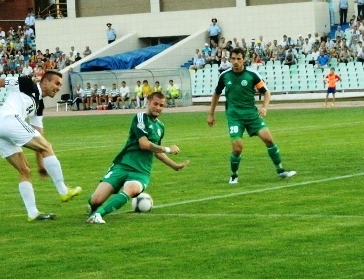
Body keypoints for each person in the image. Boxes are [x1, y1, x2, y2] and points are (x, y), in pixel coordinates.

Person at [0, 71, 82, 221]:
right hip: (8, 121)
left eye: (60, 85)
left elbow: (38, 133)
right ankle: (63, 190)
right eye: (56, 83)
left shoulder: (39, 105)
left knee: (25, 170)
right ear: (45, 82)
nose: (58, 88)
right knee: (47, 147)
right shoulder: (27, 83)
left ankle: (32, 213)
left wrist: (41, 165)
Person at [86, 92, 189, 224]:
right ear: (148, 102)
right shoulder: (140, 117)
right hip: (123, 164)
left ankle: (98, 215)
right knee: (96, 200)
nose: (158, 108)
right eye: (155, 104)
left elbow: (155, 151)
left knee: (132, 189)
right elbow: (144, 144)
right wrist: (168, 149)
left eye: (161, 105)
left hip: (141, 171)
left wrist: (174, 166)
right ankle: (92, 206)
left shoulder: (160, 127)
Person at [206, 47, 296, 184]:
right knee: (237, 148)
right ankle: (234, 175)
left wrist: (264, 107)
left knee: (269, 140)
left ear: (244, 59)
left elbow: (266, 92)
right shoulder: (224, 76)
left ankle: (281, 170)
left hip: (251, 115)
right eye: (233, 59)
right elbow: (216, 94)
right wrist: (211, 114)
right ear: (230, 59)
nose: (236, 62)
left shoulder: (252, 75)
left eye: (239, 59)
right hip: (234, 116)